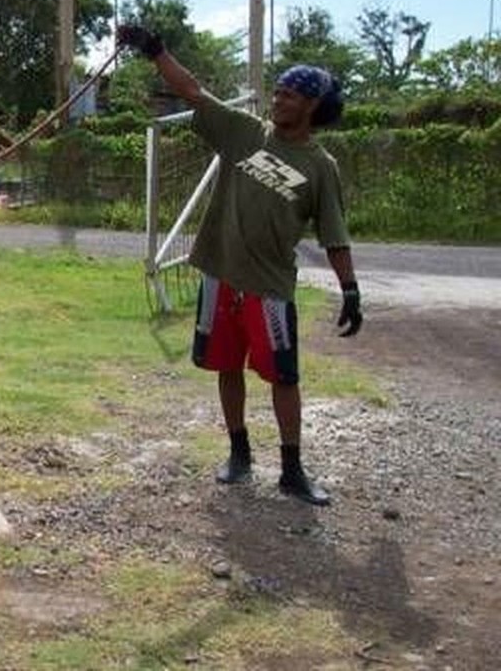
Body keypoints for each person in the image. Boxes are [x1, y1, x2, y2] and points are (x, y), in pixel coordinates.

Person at [116, 25, 363, 506]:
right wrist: (156, 50)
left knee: (284, 377)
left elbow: (334, 234)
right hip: (220, 275)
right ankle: (239, 453)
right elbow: (192, 90)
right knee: (226, 366)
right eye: (277, 90)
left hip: (269, 287)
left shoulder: (320, 166)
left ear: (311, 106)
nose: (278, 98)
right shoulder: (244, 132)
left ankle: (292, 469)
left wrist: (350, 290)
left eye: (289, 94)